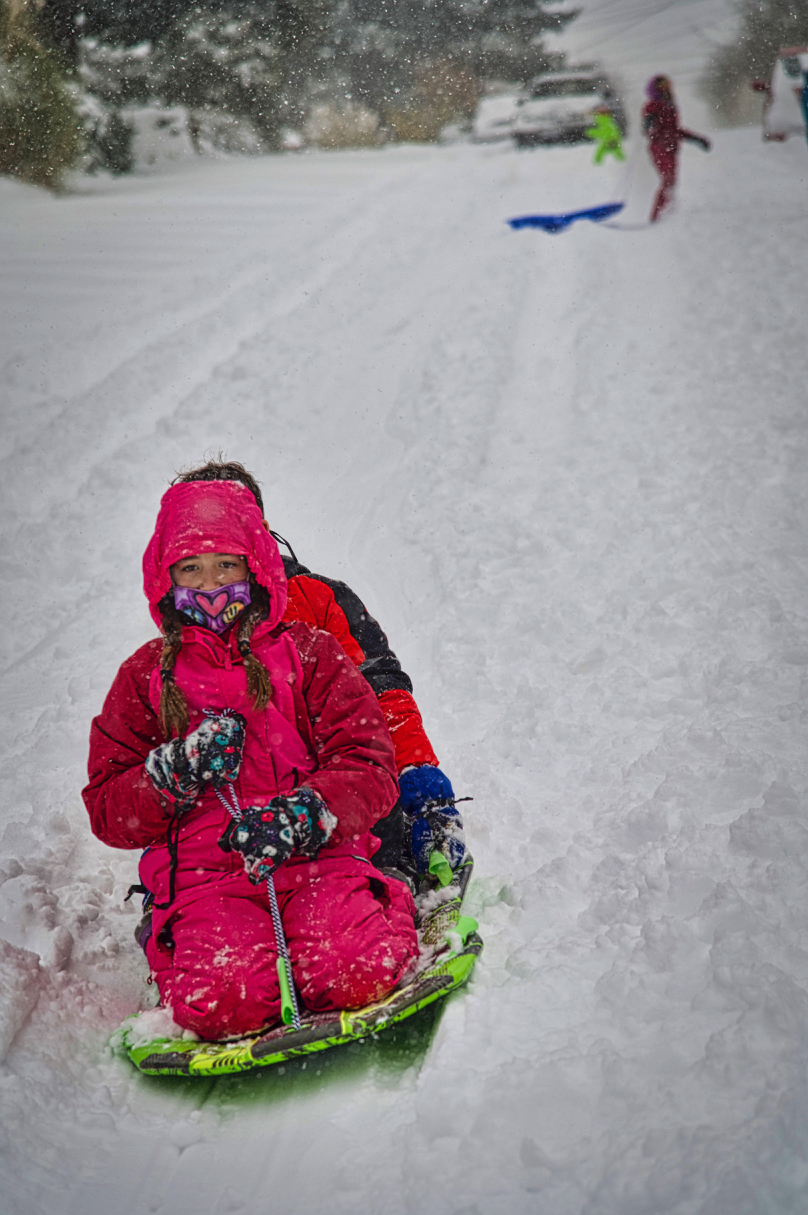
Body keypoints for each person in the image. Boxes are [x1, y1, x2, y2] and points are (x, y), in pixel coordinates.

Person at [82, 479, 461, 1041]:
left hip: (319, 859)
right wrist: (170, 775)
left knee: (359, 971)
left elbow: (368, 751)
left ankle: (389, 897)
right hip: (206, 878)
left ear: (255, 562)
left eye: (226, 565)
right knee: (225, 1003)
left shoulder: (308, 649)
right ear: (165, 575)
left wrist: (310, 812)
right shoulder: (146, 678)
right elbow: (110, 807)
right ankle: (178, 942)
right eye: (190, 569)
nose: (210, 585)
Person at [168, 458, 461, 887]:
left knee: (364, 797)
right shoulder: (180, 624)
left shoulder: (318, 599)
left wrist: (419, 781)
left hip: (332, 797)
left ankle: (383, 884)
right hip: (231, 818)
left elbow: (380, 695)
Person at [642, 75, 711, 223]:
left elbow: (675, 130)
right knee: (667, 180)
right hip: (659, 147)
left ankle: (668, 211)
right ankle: (656, 217)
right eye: (663, 85)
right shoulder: (653, 105)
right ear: (656, 89)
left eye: (668, 84)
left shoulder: (670, 106)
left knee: (672, 181)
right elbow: (647, 128)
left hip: (671, 148)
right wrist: (648, 123)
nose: (667, 88)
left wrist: (697, 139)